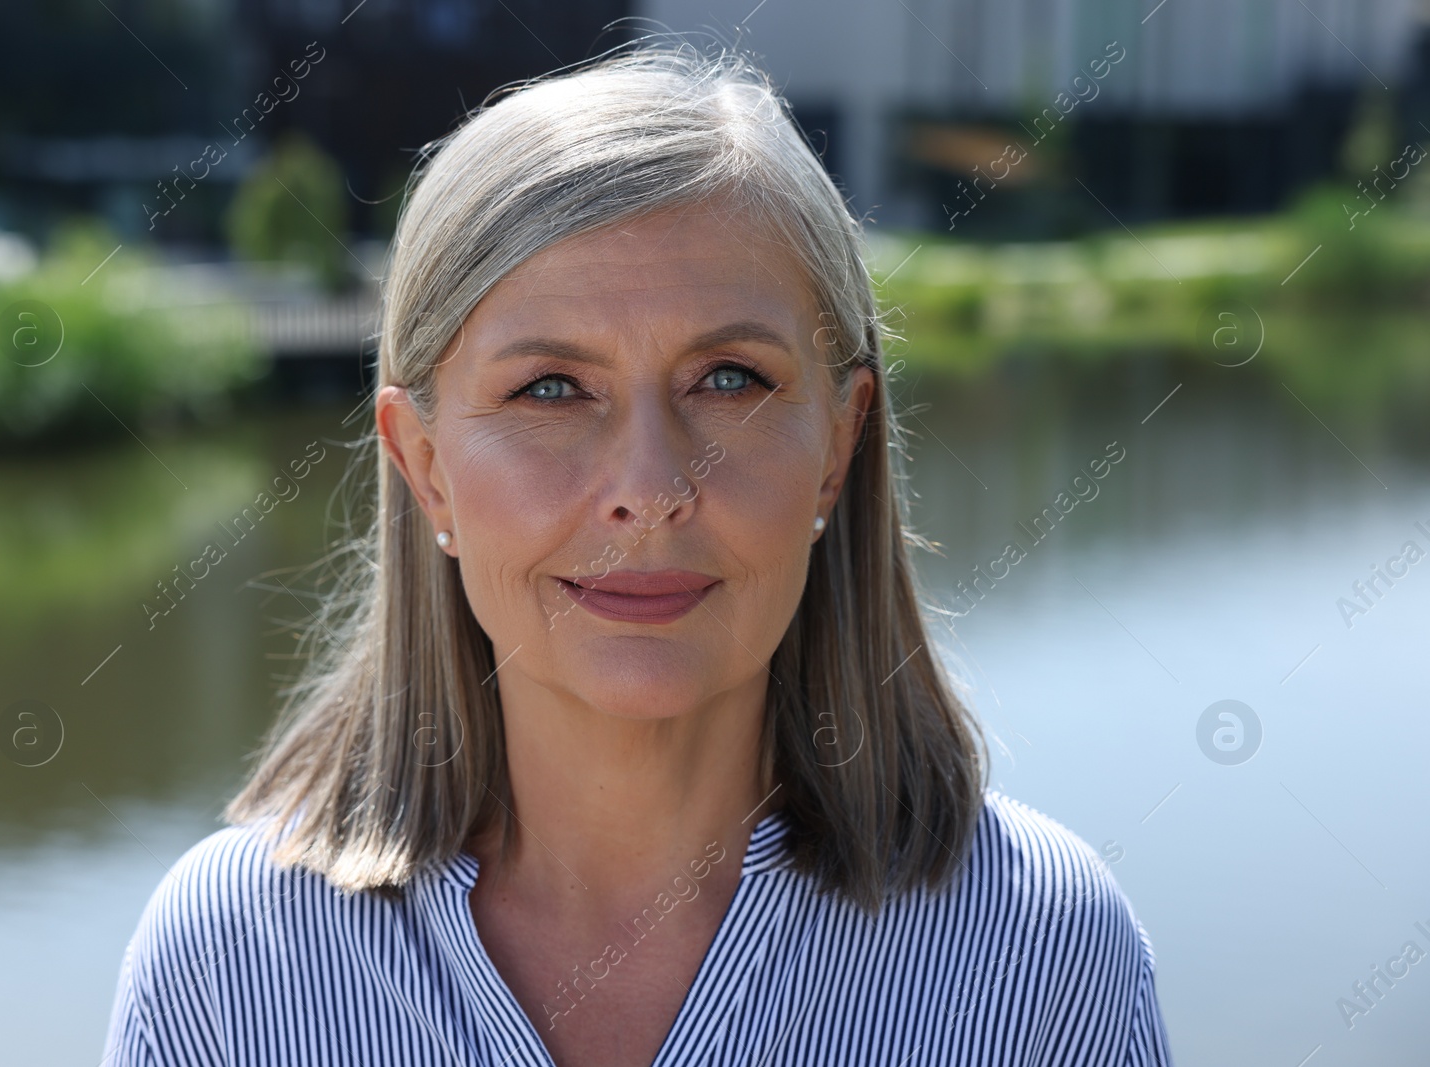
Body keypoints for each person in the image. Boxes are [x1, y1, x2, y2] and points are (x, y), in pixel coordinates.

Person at [101, 41, 1172, 1067]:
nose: (648, 491)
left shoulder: (1043, 954)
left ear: (838, 444)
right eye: (552, 389)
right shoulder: (230, 967)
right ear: (424, 464)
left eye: (728, 380)